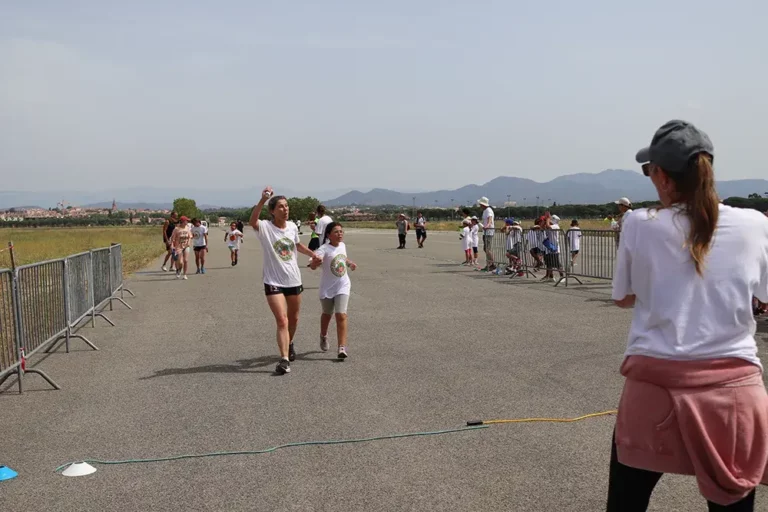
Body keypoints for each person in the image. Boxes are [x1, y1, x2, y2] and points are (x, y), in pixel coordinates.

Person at [607, 120, 768, 511]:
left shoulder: (638, 224)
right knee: (733, 500)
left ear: (661, 176)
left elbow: (624, 299)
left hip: (655, 382)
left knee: (627, 500)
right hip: (731, 390)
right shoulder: (755, 224)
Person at [250, 187, 320, 375]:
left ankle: (289, 342)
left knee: (294, 319)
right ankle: (284, 359)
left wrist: (313, 254)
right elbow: (252, 221)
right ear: (272, 211)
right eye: (281, 206)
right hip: (273, 280)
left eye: (287, 206)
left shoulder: (291, 227)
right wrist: (262, 200)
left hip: (293, 279)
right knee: (282, 320)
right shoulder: (265, 227)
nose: (285, 209)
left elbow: (296, 245)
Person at [310, 222, 357, 359]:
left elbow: (343, 257)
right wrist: (314, 263)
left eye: (341, 231)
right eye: (336, 232)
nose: (340, 234)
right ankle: (323, 335)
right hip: (327, 287)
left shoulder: (342, 245)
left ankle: (342, 347)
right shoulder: (323, 249)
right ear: (329, 235)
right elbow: (313, 265)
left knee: (341, 315)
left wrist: (349, 263)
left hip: (343, 285)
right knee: (327, 314)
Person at [478, 197, 496, 271]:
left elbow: (490, 219)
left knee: (487, 249)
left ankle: (491, 264)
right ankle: (490, 263)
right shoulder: (485, 210)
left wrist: (487, 226)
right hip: (486, 232)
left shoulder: (488, 210)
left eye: (480, 204)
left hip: (489, 232)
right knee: (486, 249)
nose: (480, 206)